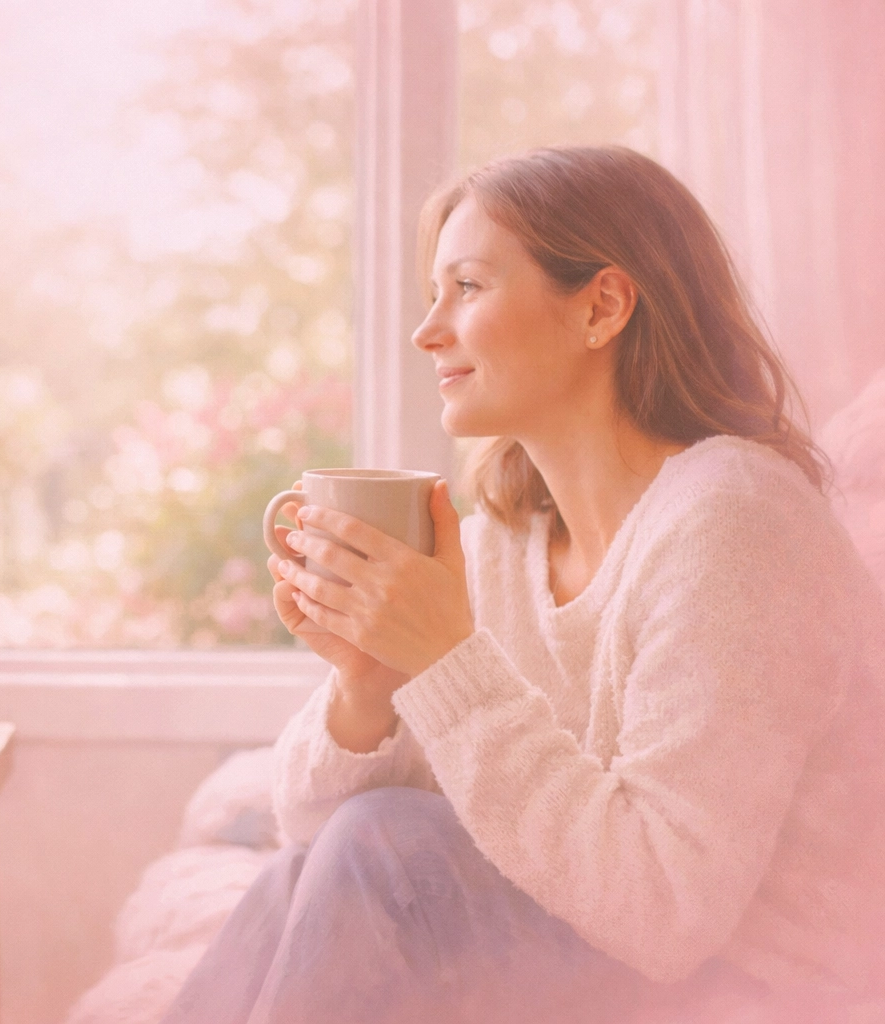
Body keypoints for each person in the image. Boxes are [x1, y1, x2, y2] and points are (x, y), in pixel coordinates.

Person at [160, 146, 885, 1024]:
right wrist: (370, 683)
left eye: (467, 287)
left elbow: (669, 912)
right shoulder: (507, 541)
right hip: (597, 965)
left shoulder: (737, 521)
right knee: (299, 876)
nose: (429, 331)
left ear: (602, 306)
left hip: (758, 994)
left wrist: (448, 660)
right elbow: (313, 839)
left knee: (383, 845)